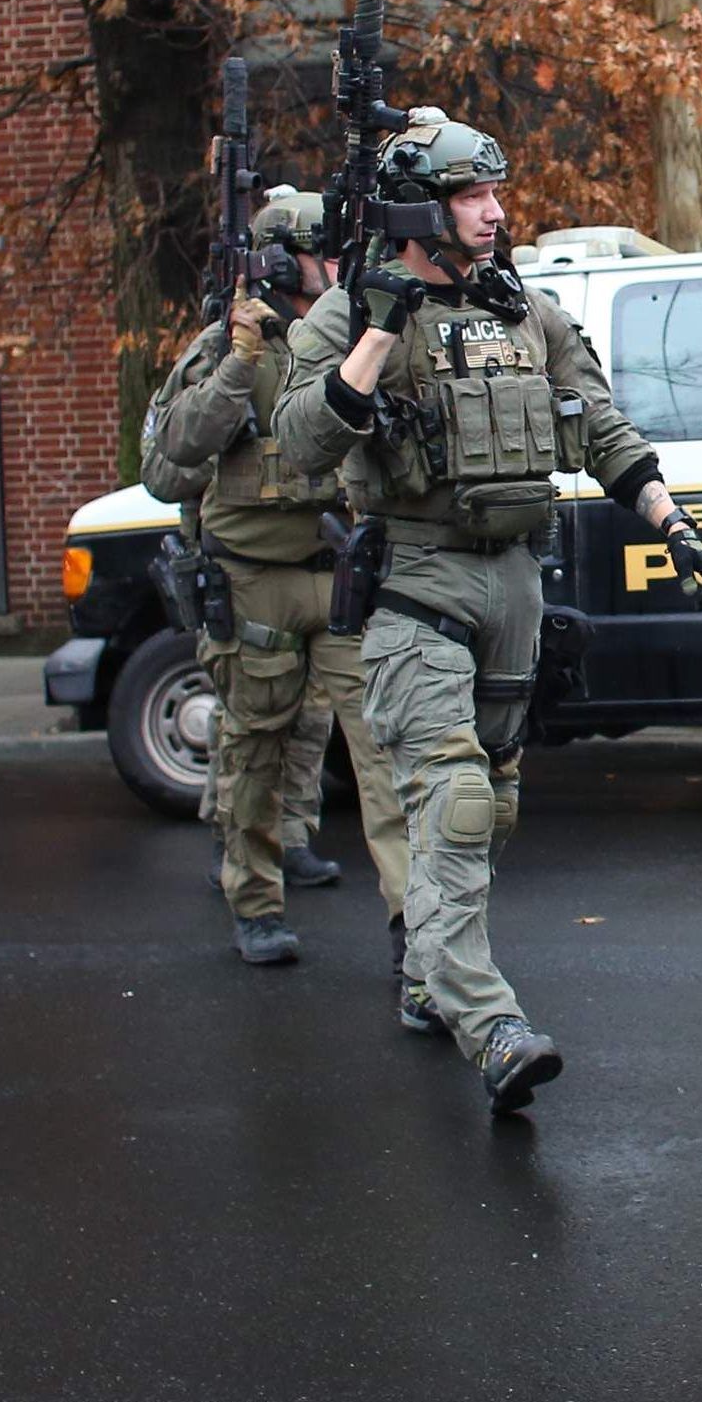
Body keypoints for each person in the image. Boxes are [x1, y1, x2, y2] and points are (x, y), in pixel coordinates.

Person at [271, 112, 702, 1114]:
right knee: (455, 801)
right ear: (416, 209)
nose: (493, 213)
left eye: (493, 192)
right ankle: (491, 1024)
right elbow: (297, 444)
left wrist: (671, 522)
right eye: (471, 196)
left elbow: (600, 423)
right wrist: (375, 330)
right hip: (415, 585)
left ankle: (429, 975)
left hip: (518, 584)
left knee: (495, 805)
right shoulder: (350, 313)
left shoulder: (530, 313)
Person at [139, 186, 399, 967]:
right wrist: (236, 365)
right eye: (325, 252)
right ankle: (253, 899)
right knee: (253, 748)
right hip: (253, 580)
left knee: (383, 749)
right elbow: (169, 462)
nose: (340, 266)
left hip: (341, 576)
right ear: (286, 262)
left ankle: (415, 926)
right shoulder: (227, 348)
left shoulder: (356, 335)